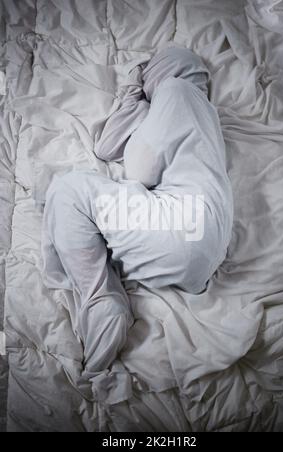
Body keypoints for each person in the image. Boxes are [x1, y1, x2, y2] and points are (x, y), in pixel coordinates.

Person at [41, 46, 233, 386]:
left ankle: (101, 299)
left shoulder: (174, 92)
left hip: (180, 227)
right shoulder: (205, 114)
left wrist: (133, 91)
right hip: (208, 250)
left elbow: (129, 162)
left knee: (68, 190)